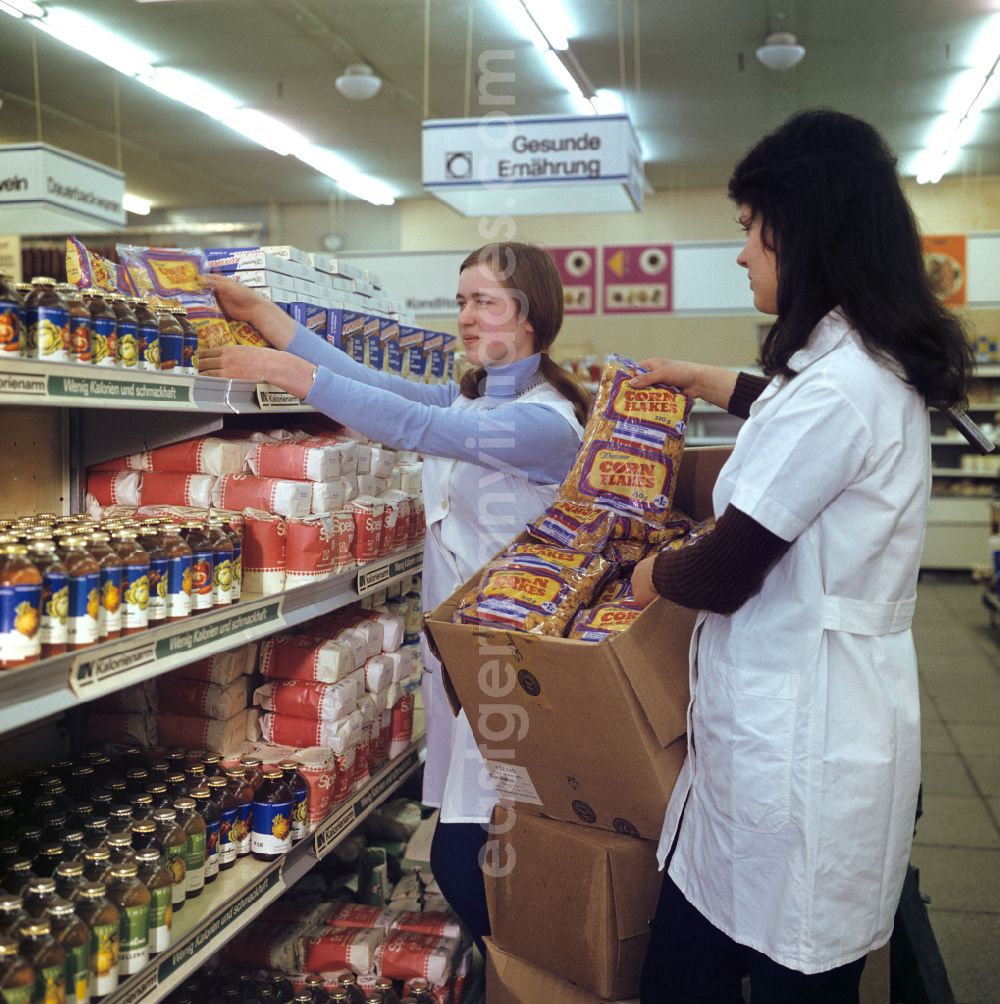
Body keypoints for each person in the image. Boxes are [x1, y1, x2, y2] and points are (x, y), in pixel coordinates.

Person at [628, 109, 972, 1003]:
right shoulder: (847, 360)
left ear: (804, 231)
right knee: (697, 948)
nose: (740, 253)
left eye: (749, 229)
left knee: (788, 970)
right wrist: (706, 382)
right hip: (770, 737)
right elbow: (789, 413)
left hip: (806, 748)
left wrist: (641, 573)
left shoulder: (845, 386)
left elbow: (724, 572)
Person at [199, 242, 591, 953]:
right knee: (478, 855)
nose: (468, 318)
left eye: (488, 303)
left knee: (470, 861)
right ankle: (523, 976)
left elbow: (411, 425)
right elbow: (371, 383)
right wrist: (268, 317)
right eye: (463, 300)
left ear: (532, 318)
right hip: (466, 667)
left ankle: (537, 979)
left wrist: (287, 372)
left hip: (512, 670)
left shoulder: (540, 422)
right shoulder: (476, 396)